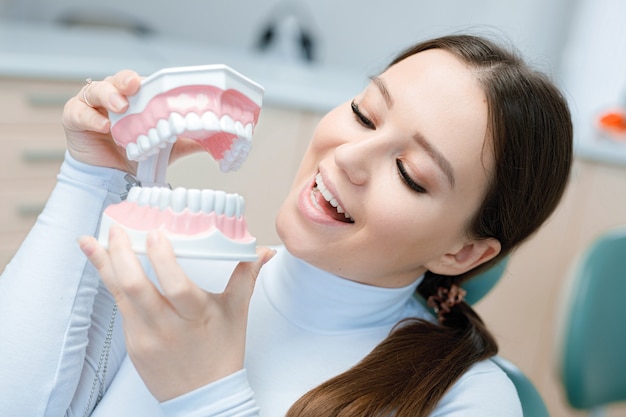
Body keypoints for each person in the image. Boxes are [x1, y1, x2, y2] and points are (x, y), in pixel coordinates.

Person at [0, 34, 572, 416]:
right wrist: (92, 176)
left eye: (410, 172)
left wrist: (205, 394)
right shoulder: (198, 279)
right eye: (363, 114)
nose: (347, 156)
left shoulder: (469, 400)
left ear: (463, 253)